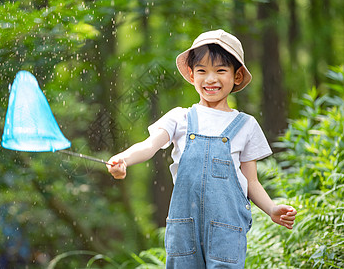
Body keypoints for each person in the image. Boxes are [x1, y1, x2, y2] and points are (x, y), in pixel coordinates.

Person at [106, 29, 297, 268]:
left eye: (220, 70)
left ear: (237, 76)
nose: (210, 79)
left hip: (227, 228)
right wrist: (123, 159)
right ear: (191, 73)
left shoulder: (246, 125)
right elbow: (149, 145)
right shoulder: (180, 118)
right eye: (202, 71)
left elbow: (252, 182)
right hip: (184, 226)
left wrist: (271, 208)